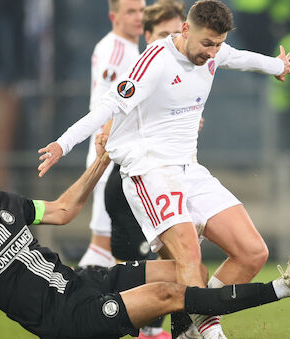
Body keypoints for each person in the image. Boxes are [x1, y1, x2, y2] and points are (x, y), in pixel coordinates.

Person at [37, 1, 290, 338]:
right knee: (189, 257)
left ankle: (190, 327)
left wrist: (276, 65)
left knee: (252, 252)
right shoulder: (155, 61)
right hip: (150, 169)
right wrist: (63, 143)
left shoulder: (215, 52)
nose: (212, 52)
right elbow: (109, 104)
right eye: (206, 44)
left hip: (190, 169)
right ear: (185, 30)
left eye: (217, 44)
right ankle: (209, 333)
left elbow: (241, 58)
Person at [0, 145, 290, 339]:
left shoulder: (9, 205)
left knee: (187, 271)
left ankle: (189, 332)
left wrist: (102, 158)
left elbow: (64, 210)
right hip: (67, 320)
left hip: (82, 283)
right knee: (169, 294)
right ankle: (283, 288)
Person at [104, 1, 187, 337]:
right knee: (150, 272)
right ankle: (149, 331)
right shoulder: (136, 71)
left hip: (160, 184)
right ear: (148, 36)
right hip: (131, 189)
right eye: (163, 35)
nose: (171, 42)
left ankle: (163, 330)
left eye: (176, 34)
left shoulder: (178, 75)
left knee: (175, 266)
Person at [77, 0, 145, 269]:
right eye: (131, 11)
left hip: (116, 149)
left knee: (108, 246)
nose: (139, 17)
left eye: (141, 10)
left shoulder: (126, 47)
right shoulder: (117, 51)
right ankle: (68, 301)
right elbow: (113, 103)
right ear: (113, 16)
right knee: (103, 246)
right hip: (110, 150)